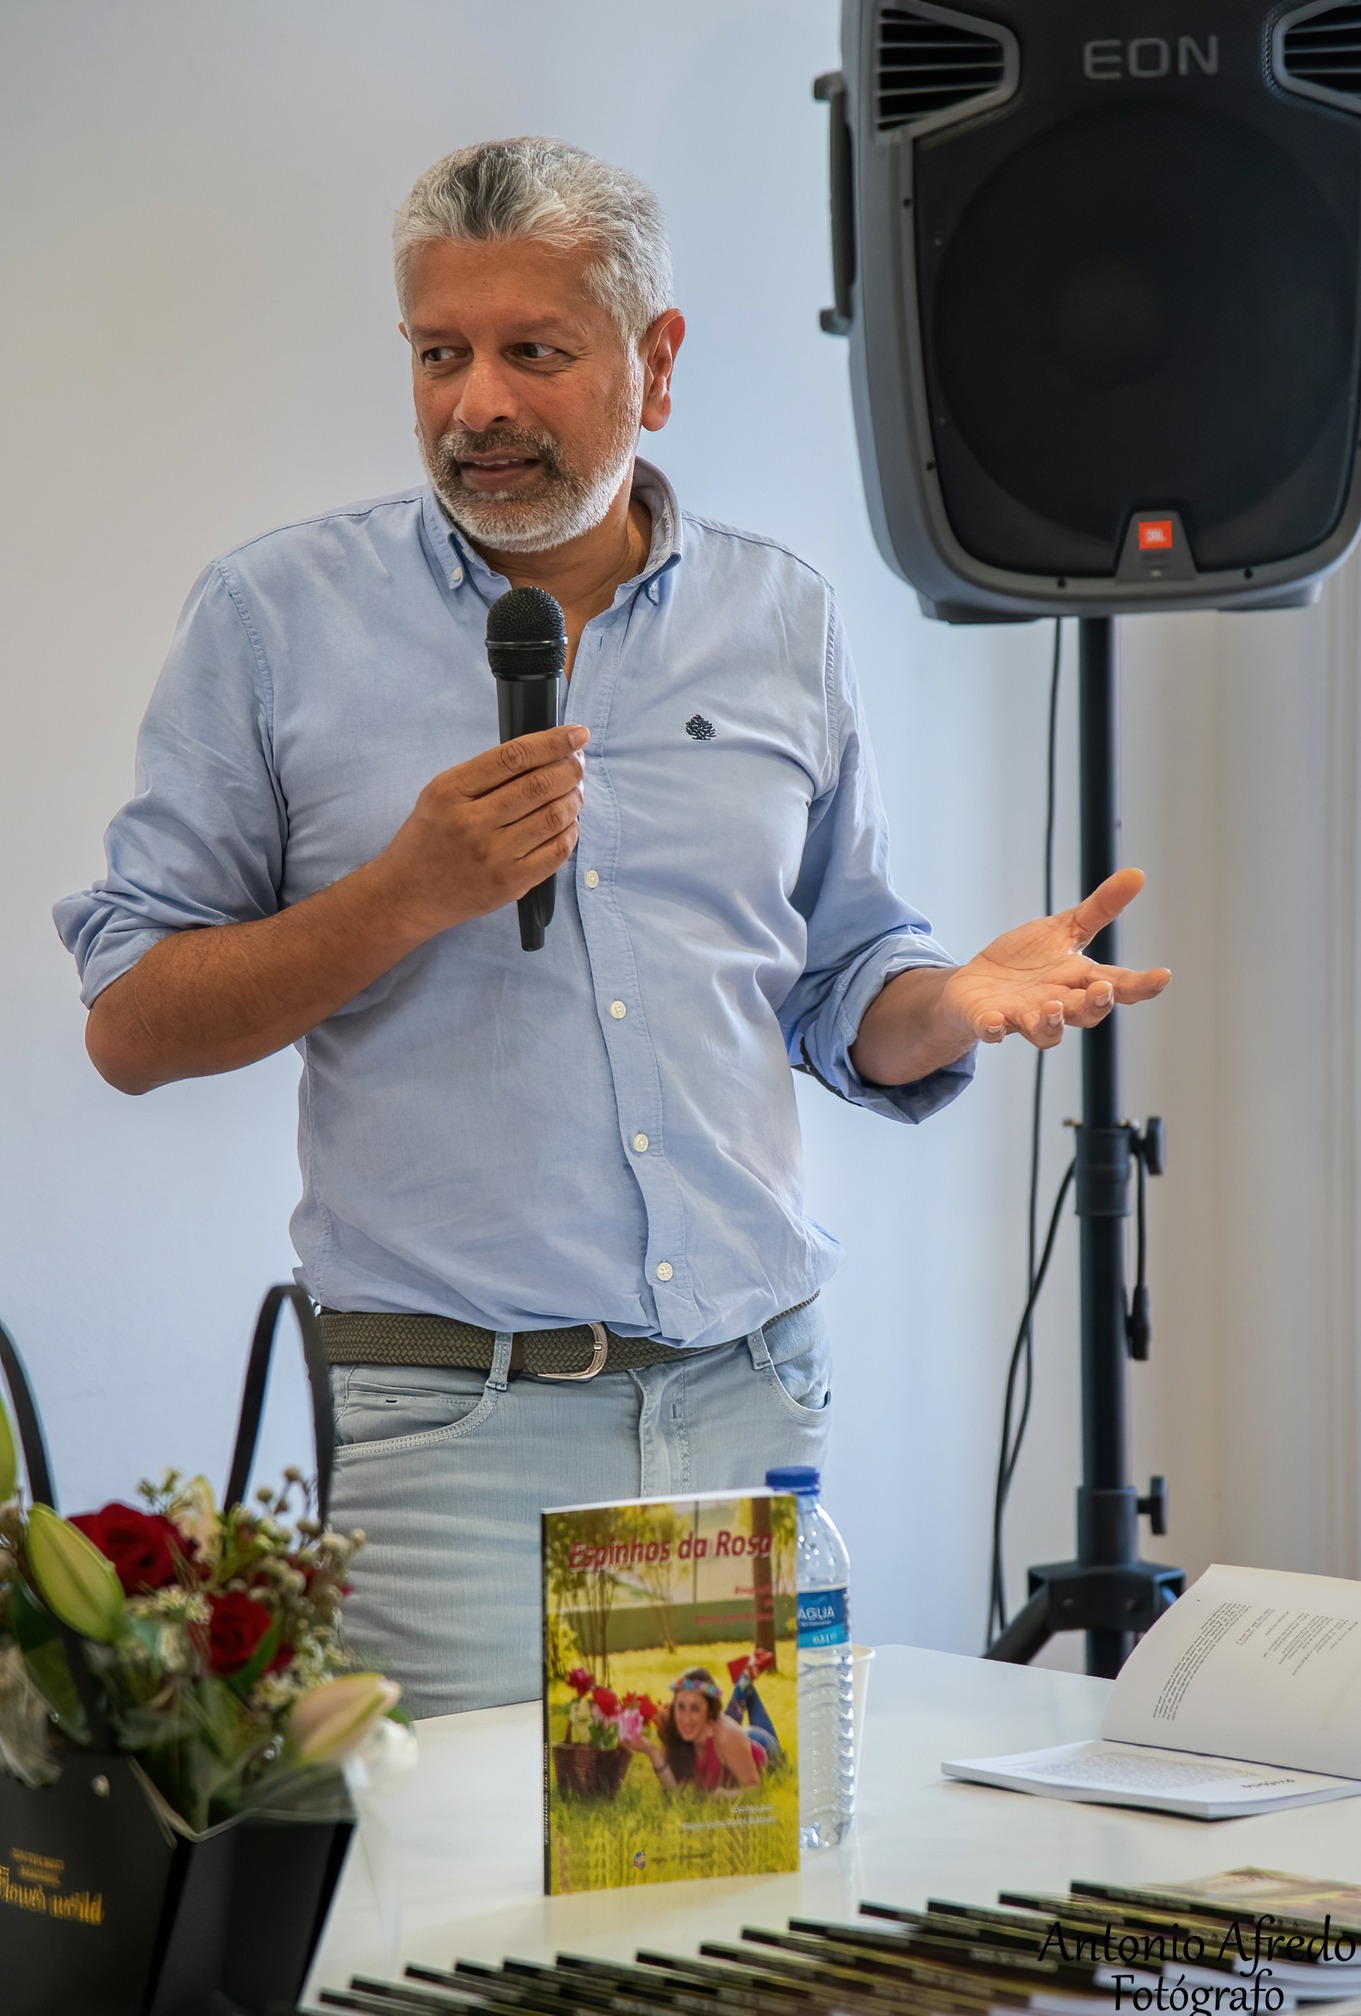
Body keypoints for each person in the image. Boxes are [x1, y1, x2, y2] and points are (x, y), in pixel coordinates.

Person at [54, 139, 1169, 1718]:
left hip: (740, 1406)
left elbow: (839, 980)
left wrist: (946, 1000)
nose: (476, 406)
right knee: (459, 1875)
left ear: (656, 359)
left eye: (533, 351)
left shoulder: (779, 620)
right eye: (438, 353)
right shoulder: (272, 621)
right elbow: (133, 1025)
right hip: (448, 1434)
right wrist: (404, 893)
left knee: (714, 1872)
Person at [625, 1669, 766, 1794]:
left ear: (709, 1710)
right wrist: (651, 1751)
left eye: (695, 1708)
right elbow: (674, 1791)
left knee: (742, 1696)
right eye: (681, 1707)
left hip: (760, 1742)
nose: (685, 1719)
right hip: (717, 1731)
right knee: (733, 1711)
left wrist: (727, 1796)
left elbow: (754, 1787)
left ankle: (746, 1680)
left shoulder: (727, 1735)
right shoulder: (674, 1729)